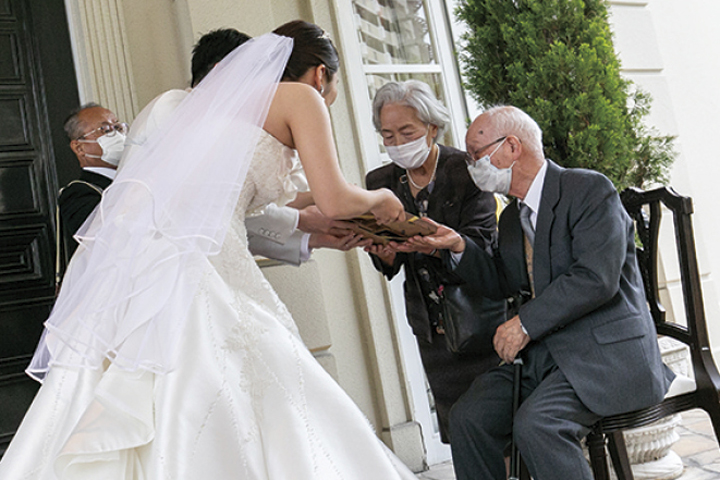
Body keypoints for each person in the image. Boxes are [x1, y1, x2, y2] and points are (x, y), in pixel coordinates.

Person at [0, 21, 415, 479]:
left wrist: (314, 226)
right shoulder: (301, 98)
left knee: (163, 395)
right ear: (320, 75)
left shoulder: (205, 110)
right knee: (257, 381)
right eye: (331, 91)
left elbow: (230, 195)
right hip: (206, 265)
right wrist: (382, 200)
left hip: (159, 266)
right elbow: (333, 195)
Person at [409, 105, 674, 480]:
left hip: (605, 354)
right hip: (545, 358)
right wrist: (456, 246)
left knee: (538, 426)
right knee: (468, 418)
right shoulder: (513, 218)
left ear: (512, 146)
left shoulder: (588, 189)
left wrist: (525, 324)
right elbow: (503, 282)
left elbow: (596, 278)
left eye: (476, 154)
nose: (471, 166)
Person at [123, 28, 363, 266]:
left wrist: (312, 235)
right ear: (223, 72)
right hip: (156, 256)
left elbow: (233, 210)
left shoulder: (230, 128)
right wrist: (301, 218)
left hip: (201, 257)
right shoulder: (172, 109)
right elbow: (198, 204)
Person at [364, 80, 503, 443]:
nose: (397, 143)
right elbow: (390, 259)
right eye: (387, 135)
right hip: (431, 325)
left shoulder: (465, 171)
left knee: (499, 430)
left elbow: (482, 244)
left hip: (480, 319)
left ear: (432, 127)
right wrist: (386, 255)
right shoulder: (380, 182)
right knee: (457, 428)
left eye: (406, 132)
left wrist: (436, 246)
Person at [59, 103, 128, 258]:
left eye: (117, 127)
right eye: (105, 130)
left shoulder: (133, 177)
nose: (116, 135)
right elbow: (103, 239)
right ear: (79, 148)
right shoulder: (78, 193)